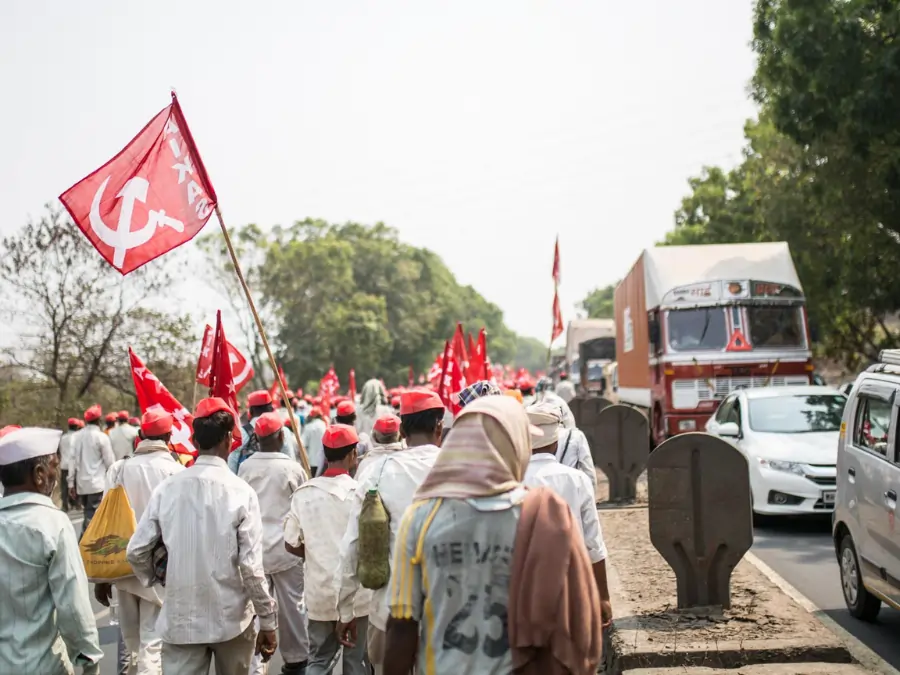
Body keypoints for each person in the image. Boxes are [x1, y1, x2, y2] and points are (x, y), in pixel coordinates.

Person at [383, 397, 603, 675]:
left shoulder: (418, 519)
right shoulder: (546, 517)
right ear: (515, 449)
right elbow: (579, 623)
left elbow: (401, 626)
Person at [127, 397, 278, 675]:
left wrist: (159, 580)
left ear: (195, 441)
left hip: (180, 619)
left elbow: (136, 551)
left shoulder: (168, 489)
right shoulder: (241, 492)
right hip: (231, 621)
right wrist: (268, 622)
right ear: (229, 441)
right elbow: (251, 568)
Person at [336, 390, 444, 675]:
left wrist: (346, 609)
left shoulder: (378, 473)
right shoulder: (461, 468)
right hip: (449, 619)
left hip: (389, 614)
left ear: (403, 430)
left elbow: (353, 545)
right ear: (439, 426)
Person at [0, 427, 104, 675]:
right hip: (43, 665)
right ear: (38, 475)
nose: (55, 475)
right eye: (53, 467)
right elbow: (74, 608)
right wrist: (90, 660)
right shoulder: (52, 524)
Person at [95, 409, 186, 675]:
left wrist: (103, 577)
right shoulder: (176, 472)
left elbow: (104, 522)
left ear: (140, 435)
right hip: (161, 569)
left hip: (122, 567)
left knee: (130, 642)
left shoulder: (118, 469)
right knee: (152, 643)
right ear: (169, 436)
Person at [284, 424, 371, 675]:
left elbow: (290, 543)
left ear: (324, 454)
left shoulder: (304, 494)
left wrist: (312, 553)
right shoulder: (362, 493)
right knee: (357, 663)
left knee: (319, 662)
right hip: (358, 596)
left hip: (321, 593)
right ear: (353, 454)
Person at [523, 406, 612, 627]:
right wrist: (603, 597)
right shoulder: (577, 480)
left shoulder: (511, 479)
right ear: (556, 443)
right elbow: (594, 543)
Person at [238, 412, 310, 675]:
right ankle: (296, 661)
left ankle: (257, 666)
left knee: (257, 609)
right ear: (282, 437)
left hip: (254, 551)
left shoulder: (245, 467)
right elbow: (303, 507)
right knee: (293, 608)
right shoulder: (292, 468)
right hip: (287, 551)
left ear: (257, 438)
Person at [69, 405, 115, 538]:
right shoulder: (102, 437)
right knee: (92, 516)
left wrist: (71, 483)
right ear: (99, 420)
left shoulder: (76, 437)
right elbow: (110, 462)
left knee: (89, 514)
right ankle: (84, 546)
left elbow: (72, 461)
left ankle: (89, 546)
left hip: (81, 484)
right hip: (97, 484)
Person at [229, 390, 299, 472]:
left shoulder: (240, 433)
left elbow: (232, 464)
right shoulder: (283, 431)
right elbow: (290, 459)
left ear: (251, 411)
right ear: (271, 408)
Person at [58, 417, 82, 513]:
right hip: (75, 465)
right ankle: (77, 504)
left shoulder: (63, 438)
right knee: (76, 485)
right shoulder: (79, 437)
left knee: (64, 487)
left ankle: (65, 505)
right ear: (77, 427)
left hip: (64, 465)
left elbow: (59, 451)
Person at [301, 406, 328, 477]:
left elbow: (303, 443)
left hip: (311, 460)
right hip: (324, 460)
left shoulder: (309, 427)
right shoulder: (325, 425)